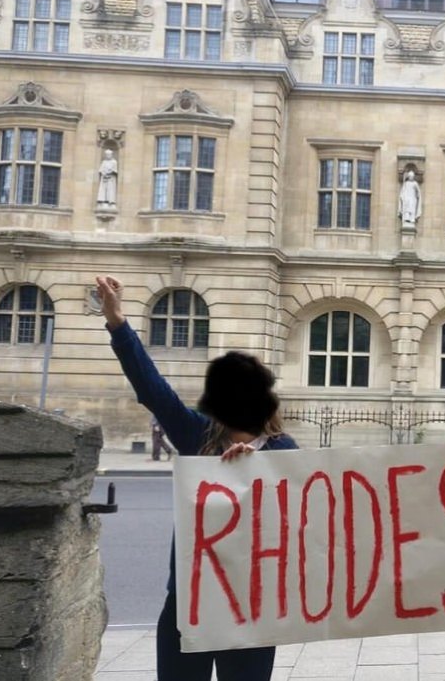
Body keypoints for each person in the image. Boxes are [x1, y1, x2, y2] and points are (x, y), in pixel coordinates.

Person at [95, 275, 298, 681]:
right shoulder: (197, 435)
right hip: (191, 600)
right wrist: (118, 323)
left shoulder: (283, 450)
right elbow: (153, 391)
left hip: (252, 605)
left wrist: (256, 472)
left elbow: (301, 523)